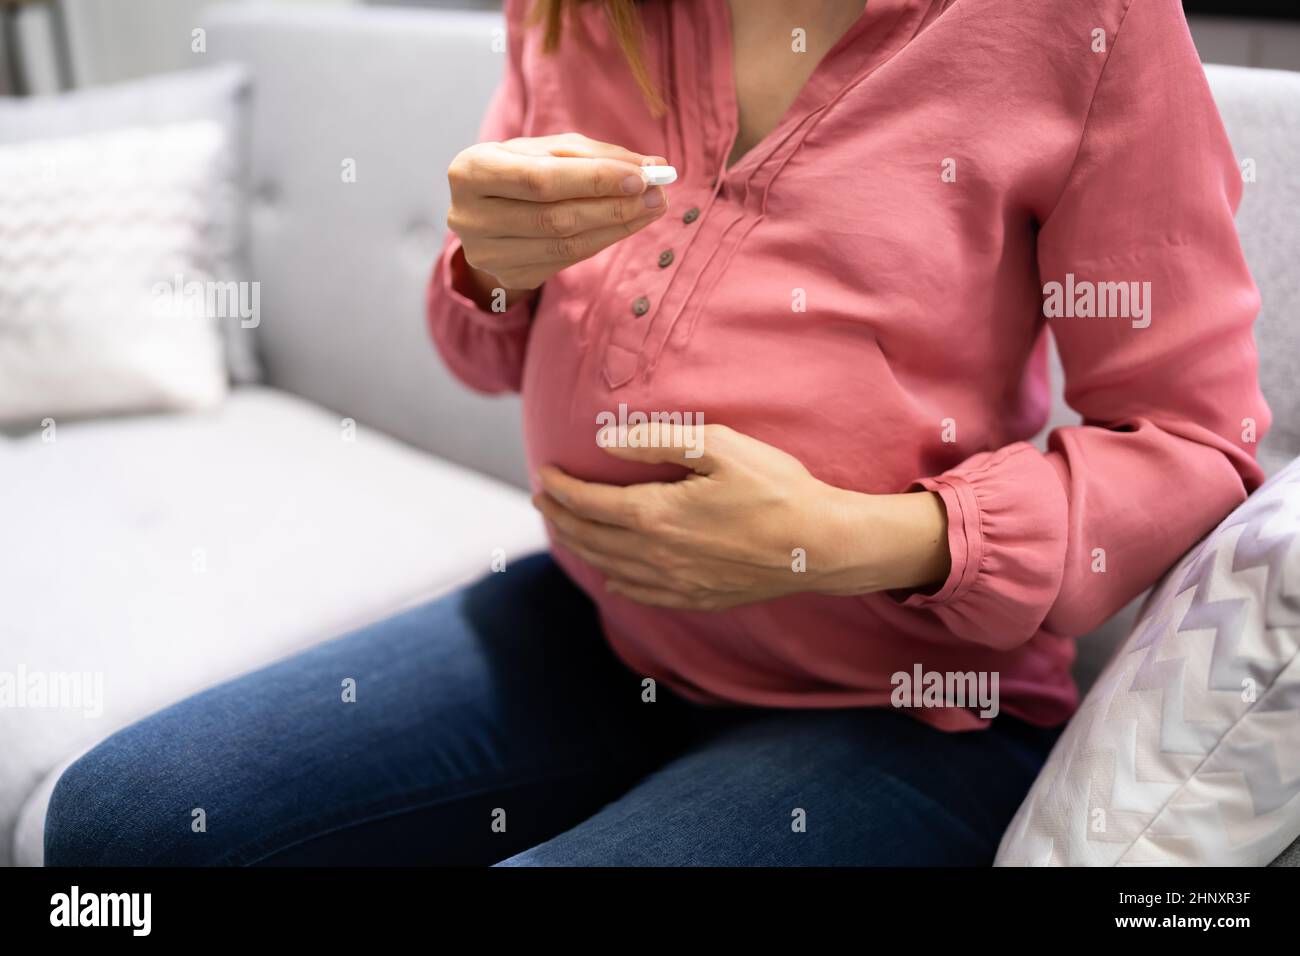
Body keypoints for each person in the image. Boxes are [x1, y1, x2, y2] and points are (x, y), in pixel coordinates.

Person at [45, 0, 1268, 866]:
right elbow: (478, 351)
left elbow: (1193, 443)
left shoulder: (1081, 23)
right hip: (603, 623)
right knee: (122, 821)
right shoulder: (584, 9)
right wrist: (490, 269)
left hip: (908, 700)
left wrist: (854, 538)